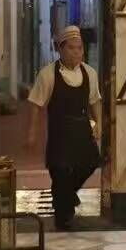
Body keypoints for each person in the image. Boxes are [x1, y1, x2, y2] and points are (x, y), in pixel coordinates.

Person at [24, 26, 102, 230]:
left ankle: (67, 196)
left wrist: (99, 124)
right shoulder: (48, 74)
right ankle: (63, 217)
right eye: (72, 48)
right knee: (60, 172)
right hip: (59, 132)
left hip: (82, 129)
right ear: (60, 49)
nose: (77, 52)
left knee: (92, 161)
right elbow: (36, 104)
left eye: (80, 48)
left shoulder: (90, 73)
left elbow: (95, 101)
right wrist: (31, 133)